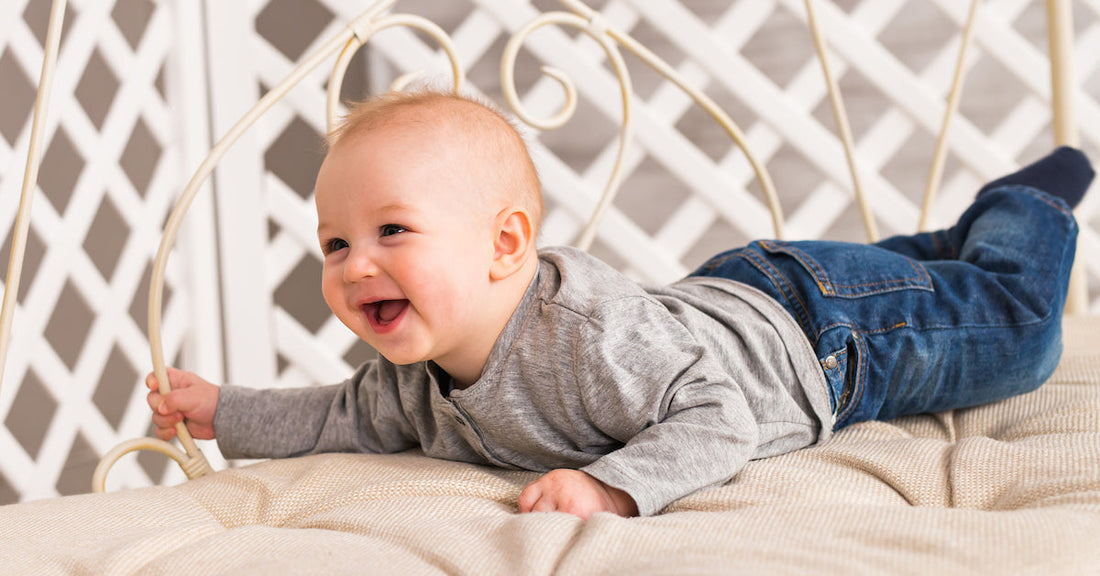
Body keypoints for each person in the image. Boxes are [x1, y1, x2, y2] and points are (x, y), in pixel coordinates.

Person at [148, 89, 1094, 520]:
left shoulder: (585, 336)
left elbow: (718, 417)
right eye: (336, 244)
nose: (357, 266)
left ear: (506, 246)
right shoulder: (418, 381)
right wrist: (221, 409)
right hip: (748, 293)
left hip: (826, 337)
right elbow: (334, 415)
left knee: (1018, 334)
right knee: (924, 281)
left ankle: (1030, 202)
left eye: (392, 232)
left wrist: (609, 487)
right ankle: (942, 251)